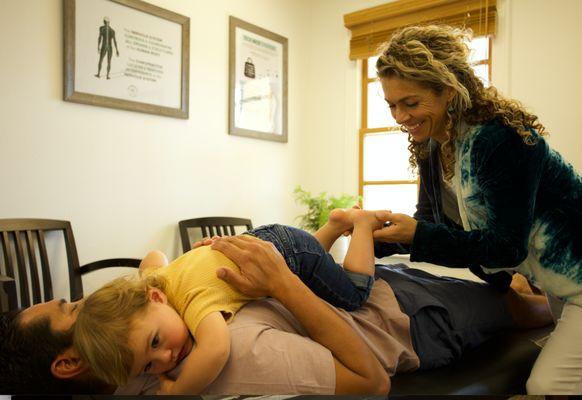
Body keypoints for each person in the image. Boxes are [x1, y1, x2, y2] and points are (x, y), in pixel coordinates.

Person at [0, 233, 551, 395]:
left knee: (505, 282)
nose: (85, 299)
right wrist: (284, 285)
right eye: (70, 306)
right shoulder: (215, 356)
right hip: (406, 320)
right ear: (70, 363)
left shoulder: (135, 348)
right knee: (526, 307)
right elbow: (372, 381)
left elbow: (152, 267)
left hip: (376, 292)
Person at [370, 24, 581, 395]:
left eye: (411, 103)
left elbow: (505, 247)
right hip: (558, 284)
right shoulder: (433, 145)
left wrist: (416, 236)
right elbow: (431, 223)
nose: (400, 117)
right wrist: (375, 237)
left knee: (551, 384)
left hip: (576, 272)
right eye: (391, 105)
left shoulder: (498, 139)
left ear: (448, 91)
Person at [73, 209, 390, 394]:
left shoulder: (194, 303)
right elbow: (153, 257)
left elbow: (215, 350)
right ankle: (333, 226)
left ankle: (360, 223)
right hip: (269, 242)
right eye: (149, 364)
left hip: (288, 253)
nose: (167, 357)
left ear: (156, 298)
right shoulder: (157, 281)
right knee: (311, 278)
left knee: (354, 294)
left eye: (155, 341)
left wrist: (176, 392)